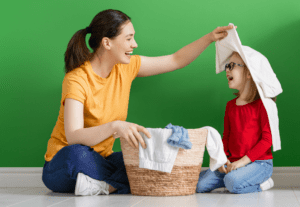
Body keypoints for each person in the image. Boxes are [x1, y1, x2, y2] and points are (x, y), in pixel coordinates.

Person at [42, 9, 235, 196]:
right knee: (77, 155)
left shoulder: (126, 67)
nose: (134, 44)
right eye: (128, 38)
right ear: (107, 43)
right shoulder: (76, 79)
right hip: (64, 164)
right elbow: (74, 136)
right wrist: (115, 127)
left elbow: (176, 60)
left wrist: (209, 38)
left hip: (101, 160)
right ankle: (112, 185)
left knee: (143, 159)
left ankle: (103, 186)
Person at [196, 51, 276, 194]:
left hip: (259, 163)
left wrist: (242, 162)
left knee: (232, 182)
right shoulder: (230, 106)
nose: (227, 69)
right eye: (227, 65)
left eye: (232, 66)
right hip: (233, 163)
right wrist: (222, 160)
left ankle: (263, 184)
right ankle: (232, 179)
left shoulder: (263, 105)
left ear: (249, 73)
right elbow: (226, 136)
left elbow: (267, 140)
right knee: (199, 185)